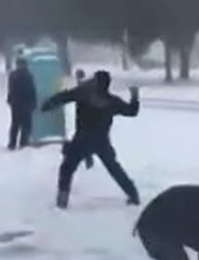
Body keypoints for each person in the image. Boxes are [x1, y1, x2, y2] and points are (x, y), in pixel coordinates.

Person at [41, 70, 141, 209]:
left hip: (81, 140)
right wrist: (135, 97)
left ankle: (62, 199)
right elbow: (131, 111)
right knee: (114, 169)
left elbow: (64, 97)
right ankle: (133, 194)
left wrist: (47, 105)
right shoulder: (112, 101)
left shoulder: (83, 95)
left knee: (67, 168)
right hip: (101, 142)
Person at [6, 57, 37, 150]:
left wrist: (10, 100)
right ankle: (23, 142)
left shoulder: (13, 75)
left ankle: (12, 143)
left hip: (15, 103)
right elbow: (31, 90)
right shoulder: (28, 75)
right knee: (26, 124)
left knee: (15, 123)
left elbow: (10, 89)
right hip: (25, 103)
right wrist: (33, 102)